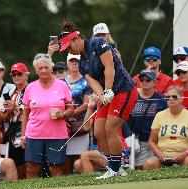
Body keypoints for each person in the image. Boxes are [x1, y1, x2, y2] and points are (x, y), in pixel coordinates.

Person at [58, 21, 137, 179]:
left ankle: (114, 170)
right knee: (99, 132)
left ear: (76, 39)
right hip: (107, 95)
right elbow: (93, 82)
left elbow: (109, 67)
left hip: (124, 90)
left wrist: (108, 90)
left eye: (69, 46)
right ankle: (116, 168)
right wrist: (102, 95)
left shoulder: (98, 43)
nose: (69, 50)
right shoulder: (82, 64)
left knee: (110, 128)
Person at [20, 53, 74, 179]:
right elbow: (25, 114)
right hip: (34, 134)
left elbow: (71, 108)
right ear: (36, 70)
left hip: (57, 133)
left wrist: (64, 113)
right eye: (40, 68)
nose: (44, 70)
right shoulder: (30, 87)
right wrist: (23, 136)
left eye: (46, 67)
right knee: (31, 166)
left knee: (56, 166)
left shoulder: (62, 85)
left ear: (51, 68)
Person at [128, 69, 167, 169]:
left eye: (148, 80)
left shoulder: (162, 100)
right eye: (142, 79)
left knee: (150, 167)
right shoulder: (132, 97)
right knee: (136, 169)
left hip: (155, 141)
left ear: (154, 82)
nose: (144, 82)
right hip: (135, 140)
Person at [144, 86, 188, 170]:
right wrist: (159, 154)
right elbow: (151, 141)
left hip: (184, 156)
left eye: (174, 97)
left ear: (181, 98)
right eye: (168, 97)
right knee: (149, 163)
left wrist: (184, 154)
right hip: (163, 157)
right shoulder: (159, 115)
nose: (171, 99)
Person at [63, 53, 91, 175]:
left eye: (77, 61)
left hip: (81, 122)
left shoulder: (87, 81)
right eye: (72, 61)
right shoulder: (61, 82)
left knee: (80, 157)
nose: (74, 63)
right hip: (64, 123)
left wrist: (69, 113)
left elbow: (86, 104)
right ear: (67, 63)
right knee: (65, 157)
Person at [2, 63, 29, 179]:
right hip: (14, 129)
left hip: (29, 127)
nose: (16, 77)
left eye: (19, 74)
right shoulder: (10, 93)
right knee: (17, 162)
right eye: (14, 75)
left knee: (28, 161)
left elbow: (32, 110)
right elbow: (5, 118)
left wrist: (15, 106)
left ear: (26, 75)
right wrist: (9, 109)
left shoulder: (32, 89)